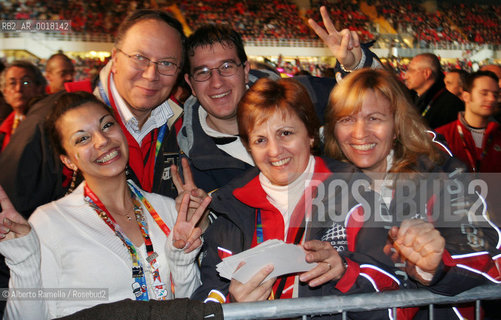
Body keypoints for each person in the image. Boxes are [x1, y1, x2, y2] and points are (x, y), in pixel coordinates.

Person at [192, 78, 406, 320]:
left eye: (285, 133)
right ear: (249, 147)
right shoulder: (231, 206)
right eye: (260, 140)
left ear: (311, 136)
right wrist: (232, 306)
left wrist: (346, 272)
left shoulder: (355, 194)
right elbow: (208, 295)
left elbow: (395, 295)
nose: (275, 151)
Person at [0, 92, 210, 320]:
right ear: (69, 160)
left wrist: (182, 261)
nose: (102, 140)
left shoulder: (168, 210)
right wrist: (23, 261)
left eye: (107, 125)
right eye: (82, 139)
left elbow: (191, 309)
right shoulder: (49, 221)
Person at [324, 68, 501, 319]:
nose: (360, 132)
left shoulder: (440, 174)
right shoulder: (326, 184)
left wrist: (434, 267)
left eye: (374, 118)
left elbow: (484, 253)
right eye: (347, 119)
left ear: (397, 125)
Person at [0, 9, 186, 218]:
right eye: (140, 58)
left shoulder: (183, 125)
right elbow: (12, 217)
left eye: (167, 63)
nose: (151, 74)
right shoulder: (52, 118)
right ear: (115, 59)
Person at [178, 6, 381, 194]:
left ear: (246, 70)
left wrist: (356, 66)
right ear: (190, 83)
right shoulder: (189, 163)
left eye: (227, 67)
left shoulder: (302, 96)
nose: (217, 83)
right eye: (203, 72)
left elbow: (379, 104)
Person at [436, 71, 501, 172]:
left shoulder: (498, 134)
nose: (491, 99)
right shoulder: (441, 137)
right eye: (484, 93)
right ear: (466, 96)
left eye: (495, 95)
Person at [403, 53, 464, 129]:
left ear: (426, 73)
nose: (406, 76)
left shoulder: (451, 106)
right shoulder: (408, 98)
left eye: (411, 70)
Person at [0, 60, 46, 151]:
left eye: (26, 82)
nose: (18, 89)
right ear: (5, 92)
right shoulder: (4, 128)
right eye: (12, 83)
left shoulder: (47, 124)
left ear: (39, 88)